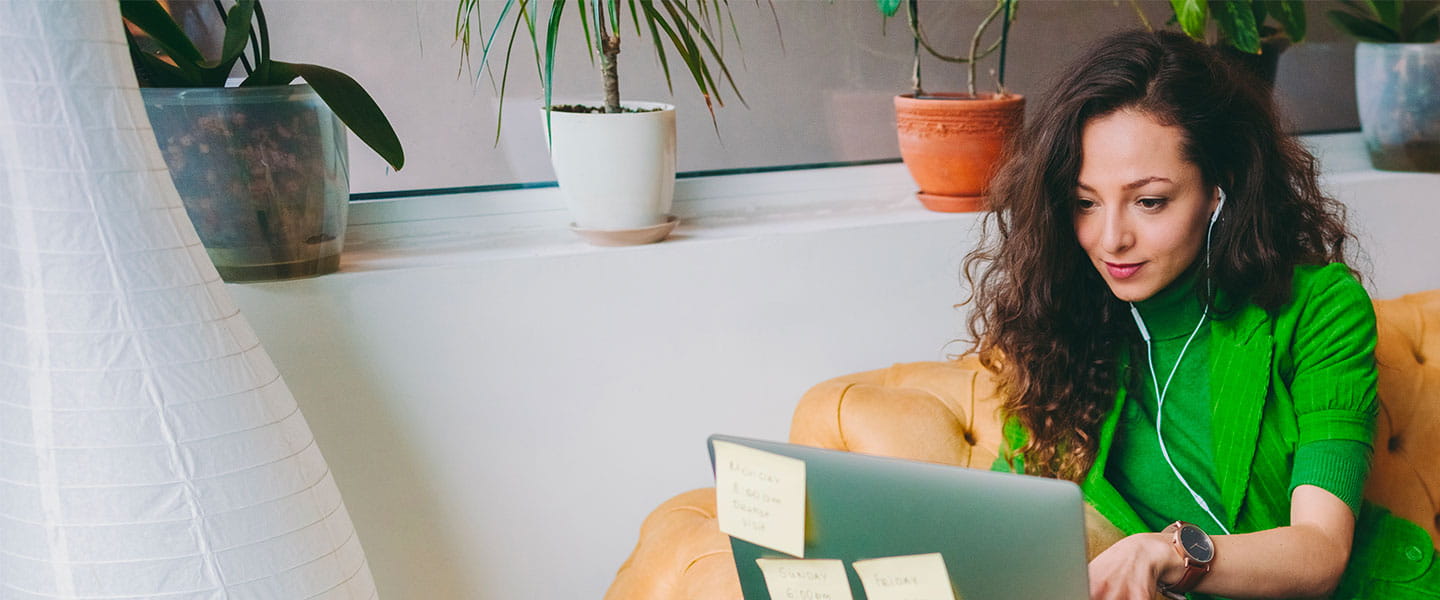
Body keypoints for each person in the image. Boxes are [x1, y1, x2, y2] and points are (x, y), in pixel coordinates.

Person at [963, 30, 1439, 600]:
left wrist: (1164, 552)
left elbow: (1320, 552)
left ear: (1219, 189)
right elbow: (1003, 520)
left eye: (1149, 201)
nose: (1111, 239)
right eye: (1085, 202)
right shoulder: (1059, 325)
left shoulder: (1318, 308)